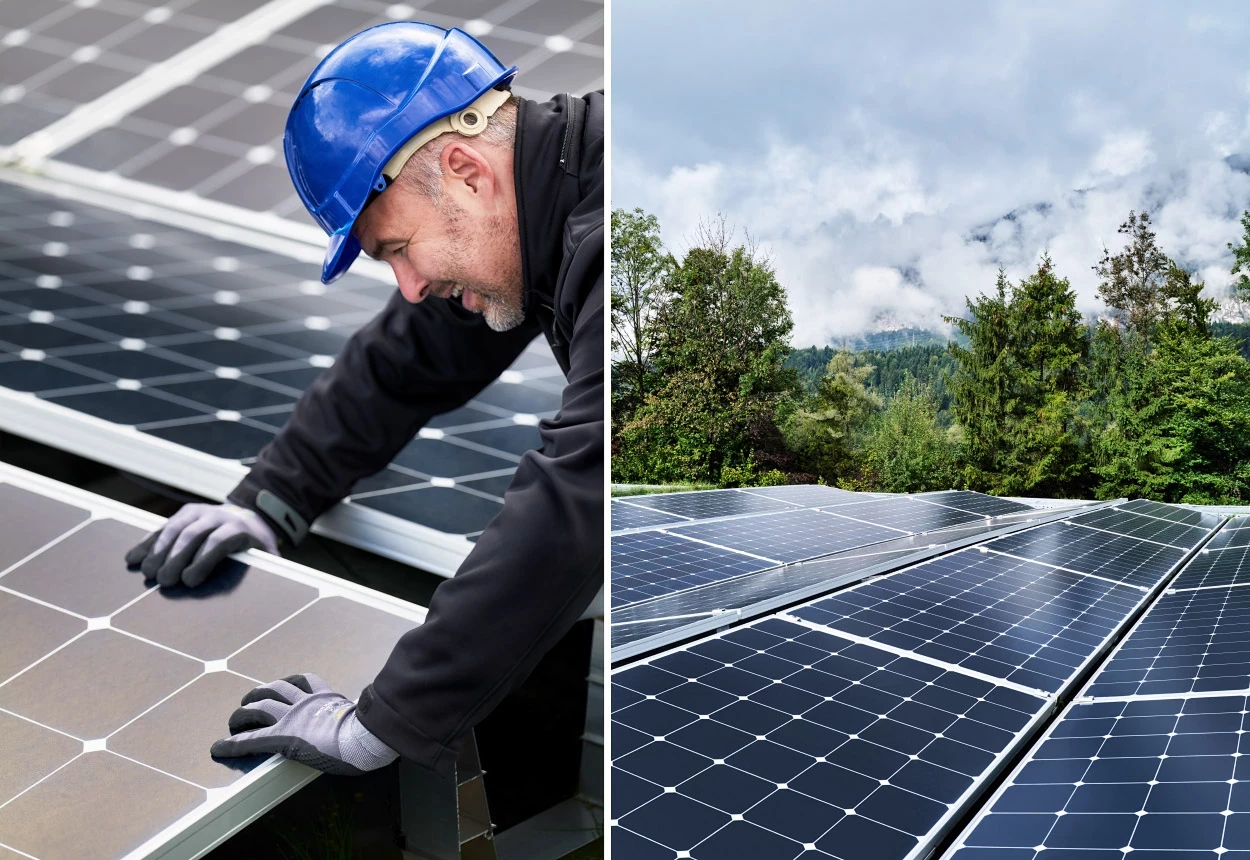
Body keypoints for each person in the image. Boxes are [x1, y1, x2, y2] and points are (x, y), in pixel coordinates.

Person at [124, 22, 603, 777]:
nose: (410, 288)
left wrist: (383, 723)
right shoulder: (546, 190)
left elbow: (582, 494)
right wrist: (274, 494)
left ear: (467, 171)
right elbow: (412, 355)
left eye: (398, 250)